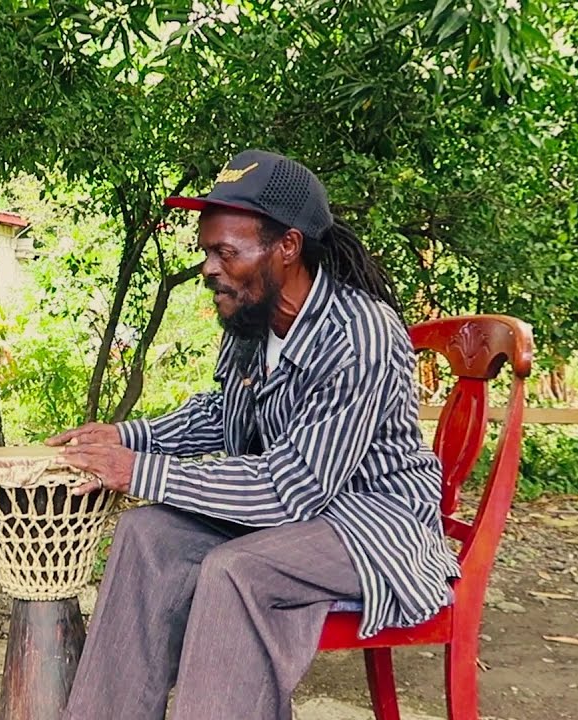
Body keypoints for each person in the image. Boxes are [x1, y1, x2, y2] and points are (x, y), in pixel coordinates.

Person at [48, 150, 461, 720]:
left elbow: (292, 490)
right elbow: (223, 416)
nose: (208, 268)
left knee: (237, 571)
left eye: (225, 252)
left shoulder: (359, 331)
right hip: (298, 515)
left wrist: (137, 470)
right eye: (205, 251)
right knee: (146, 534)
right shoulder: (250, 317)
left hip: (372, 526)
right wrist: (125, 436)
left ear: (286, 248)